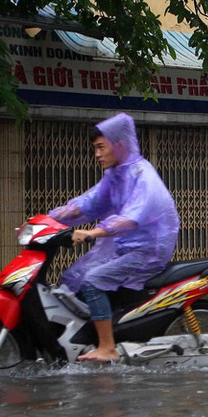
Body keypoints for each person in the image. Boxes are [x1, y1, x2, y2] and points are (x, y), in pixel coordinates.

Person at [48, 113, 180, 363]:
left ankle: (107, 347)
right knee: (73, 278)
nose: (97, 154)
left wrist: (92, 232)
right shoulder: (116, 175)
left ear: (118, 145)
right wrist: (46, 221)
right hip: (125, 247)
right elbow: (87, 204)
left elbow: (130, 217)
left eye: (101, 147)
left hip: (148, 250)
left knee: (92, 281)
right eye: (95, 148)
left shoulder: (143, 175)